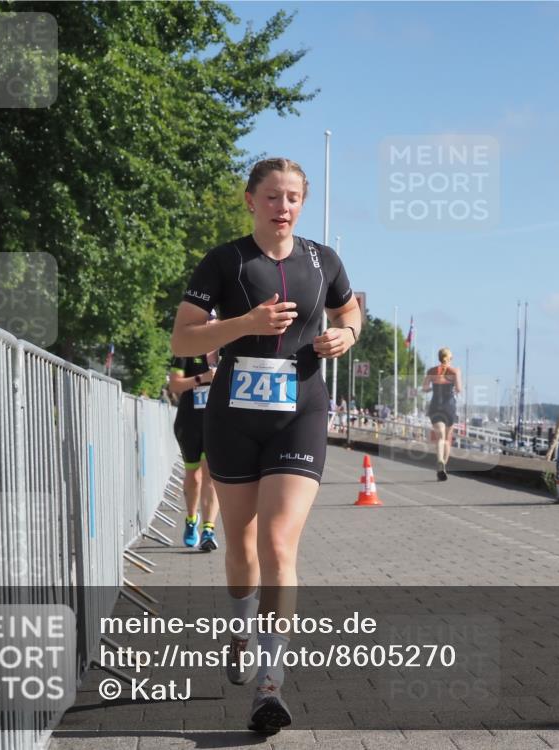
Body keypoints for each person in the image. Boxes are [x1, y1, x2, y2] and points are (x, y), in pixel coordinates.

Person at [170, 157, 360, 734]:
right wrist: (245, 321)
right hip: (233, 417)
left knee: (280, 543)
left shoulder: (321, 260)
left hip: (298, 413)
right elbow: (182, 335)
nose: (284, 207)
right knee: (242, 546)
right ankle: (240, 624)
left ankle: (269, 685)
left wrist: (345, 334)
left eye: (294, 197)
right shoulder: (225, 261)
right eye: (273, 197)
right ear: (250, 200)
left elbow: (350, 308)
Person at [167, 330, 221, 552]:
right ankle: (191, 520)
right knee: (194, 476)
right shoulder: (186, 350)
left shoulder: (227, 349)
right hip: (190, 421)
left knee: (210, 475)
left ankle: (209, 530)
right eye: (205, 320)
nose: (209, 324)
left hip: (217, 423)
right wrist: (203, 379)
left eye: (212, 321)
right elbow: (175, 385)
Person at [422, 347, 462, 481]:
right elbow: (459, 389)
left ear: (439, 357)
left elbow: (425, 388)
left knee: (439, 437)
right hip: (449, 406)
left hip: (435, 405)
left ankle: (439, 460)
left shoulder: (431, 371)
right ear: (450, 358)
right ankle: (443, 464)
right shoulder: (455, 371)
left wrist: (430, 389)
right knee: (447, 439)